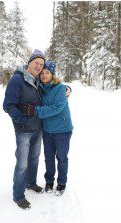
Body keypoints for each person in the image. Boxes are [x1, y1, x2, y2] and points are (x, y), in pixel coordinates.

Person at [3, 49, 71, 209]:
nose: (39, 67)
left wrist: (66, 88)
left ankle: (31, 183)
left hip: (39, 128)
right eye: (36, 63)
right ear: (29, 63)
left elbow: (54, 86)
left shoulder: (39, 81)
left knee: (34, 159)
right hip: (24, 129)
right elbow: (8, 105)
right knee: (22, 163)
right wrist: (21, 120)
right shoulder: (17, 80)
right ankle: (18, 195)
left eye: (41, 64)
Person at [34, 61, 73, 196]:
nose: (44, 75)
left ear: (52, 75)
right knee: (48, 157)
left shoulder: (61, 88)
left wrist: (36, 111)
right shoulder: (40, 89)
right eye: (42, 72)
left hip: (62, 130)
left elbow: (56, 108)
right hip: (47, 130)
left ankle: (62, 183)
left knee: (61, 158)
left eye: (47, 72)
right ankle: (49, 181)